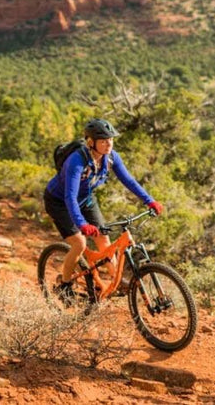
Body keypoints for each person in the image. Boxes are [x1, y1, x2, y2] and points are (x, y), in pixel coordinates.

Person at [43, 118, 163, 301]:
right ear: (91, 142)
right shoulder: (76, 161)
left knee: (103, 239)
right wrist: (82, 224)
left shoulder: (111, 157)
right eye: (104, 141)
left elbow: (129, 181)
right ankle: (65, 285)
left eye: (111, 139)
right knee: (79, 244)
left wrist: (150, 201)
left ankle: (116, 282)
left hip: (86, 200)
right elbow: (70, 197)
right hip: (59, 202)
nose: (109, 144)